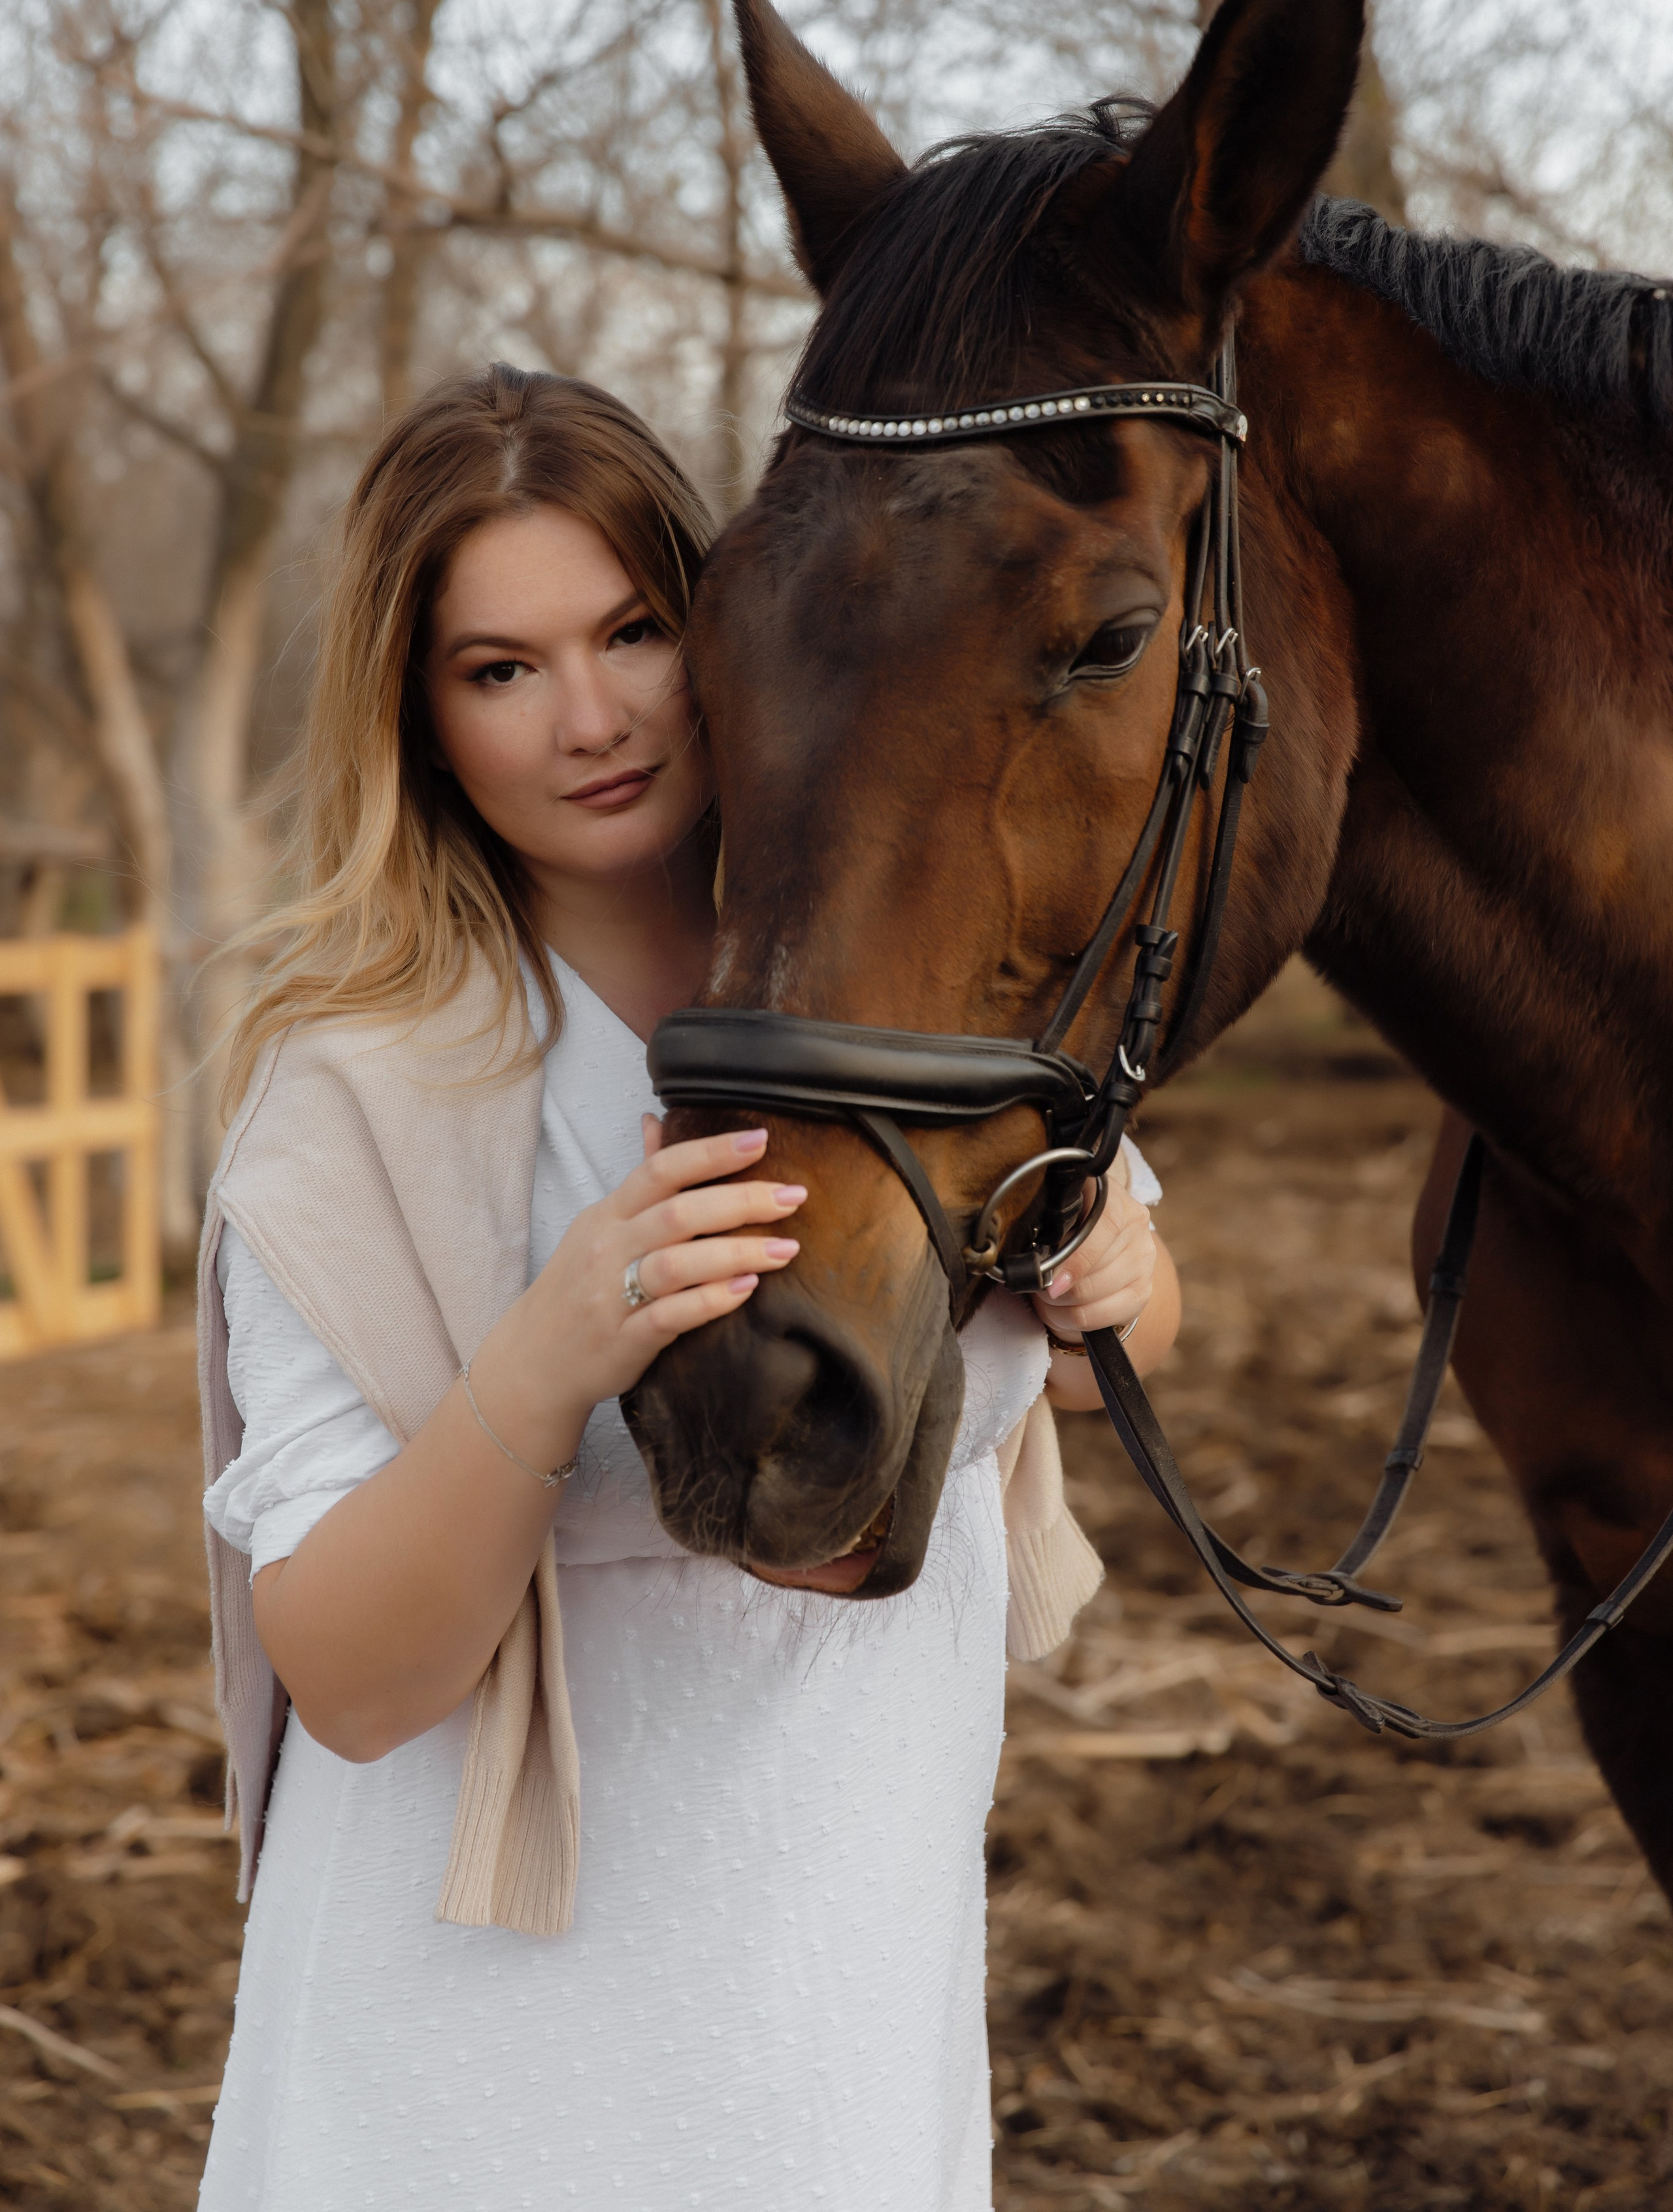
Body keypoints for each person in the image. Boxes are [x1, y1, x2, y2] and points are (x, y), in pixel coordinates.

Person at [195, 361, 1182, 2211]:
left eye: (633, 632)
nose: (590, 718)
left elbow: (1090, 1350)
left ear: (721, 624)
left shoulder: (908, 979)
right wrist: (544, 1362)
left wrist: (1119, 1265)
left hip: (837, 2018)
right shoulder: (359, 1094)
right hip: (472, 2067)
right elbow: (345, 1675)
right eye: (500, 668)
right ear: (418, 717)